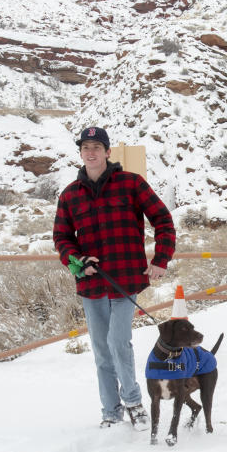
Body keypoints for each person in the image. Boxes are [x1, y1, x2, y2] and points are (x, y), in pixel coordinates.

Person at [53, 127, 176, 428]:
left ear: (108, 152)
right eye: (85, 147)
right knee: (101, 349)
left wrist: (161, 259)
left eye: (97, 146)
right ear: (80, 153)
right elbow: (61, 238)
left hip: (125, 279)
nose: (91, 152)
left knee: (118, 341)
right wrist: (78, 262)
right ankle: (110, 410)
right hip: (91, 283)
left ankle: (133, 402)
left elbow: (163, 219)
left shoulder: (131, 184)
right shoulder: (69, 195)